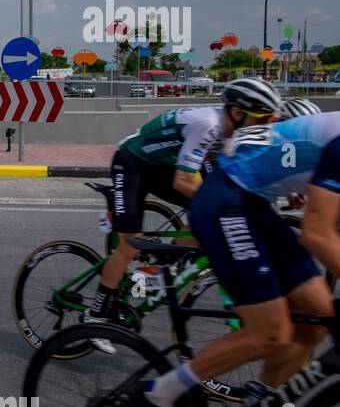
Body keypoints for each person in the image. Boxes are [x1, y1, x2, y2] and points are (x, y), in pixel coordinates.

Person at [133, 108, 336, 407]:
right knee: (270, 334)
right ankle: (154, 397)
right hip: (225, 201)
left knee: (318, 315)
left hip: (254, 204)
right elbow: (318, 234)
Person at [81, 77, 282, 346]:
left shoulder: (230, 130)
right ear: (237, 112)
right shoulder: (209, 125)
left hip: (162, 165)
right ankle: (95, 315)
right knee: (129, 245)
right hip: (132, 162)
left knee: (209, 217)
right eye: (260, 120)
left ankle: (160, 270)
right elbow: (184, 182)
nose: (263, 127)